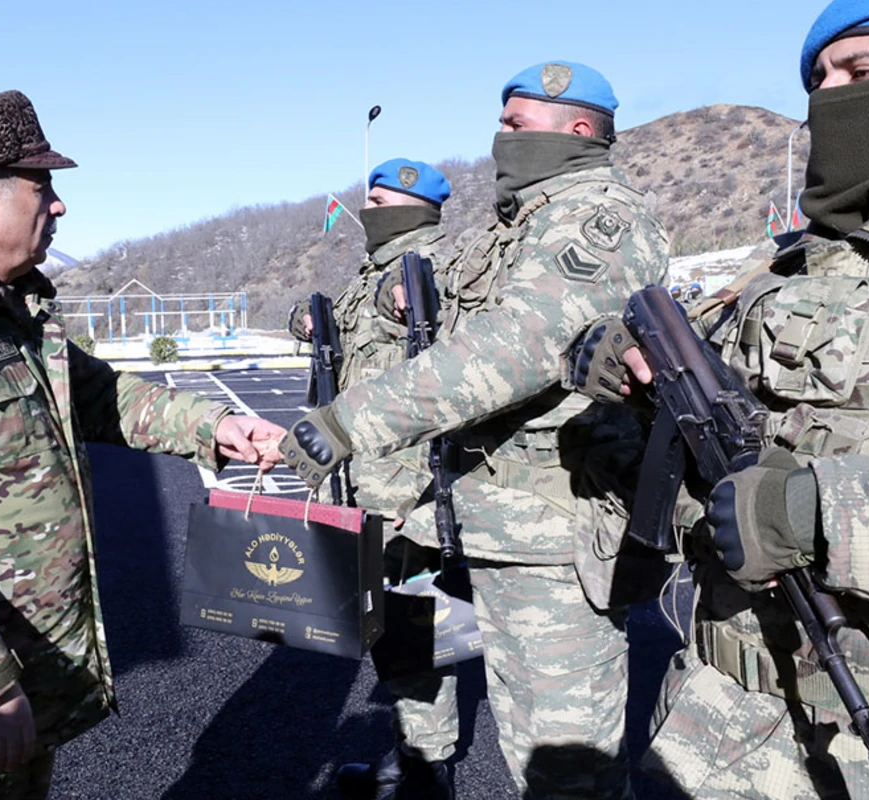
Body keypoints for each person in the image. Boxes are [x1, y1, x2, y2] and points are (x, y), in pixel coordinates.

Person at [569, 2, 869, 796]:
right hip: (709, 723)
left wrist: (824, 512)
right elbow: (684, 434)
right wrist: (614, 374)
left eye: (860, 72)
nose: (829, 98)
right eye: (818, 80)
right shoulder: (778, 270)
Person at [0, 90, 284, 800]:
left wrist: (213, 427)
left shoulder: (7, 313)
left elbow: (98, 394)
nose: (58, 203)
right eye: (42, 185)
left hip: (23, 679)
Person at [280, 62, 669, 799]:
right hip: (501, 518)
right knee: (534, 751)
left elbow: (516, 346)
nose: (501, 139)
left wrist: (345, 423)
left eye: (517, 125)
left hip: (554, 524)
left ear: (580, 129)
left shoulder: (595, 218)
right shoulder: (514, 229)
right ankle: (426, 767)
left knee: (568, 765)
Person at [286, 158, 460, 800]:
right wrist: (305, 323)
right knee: (392, 626)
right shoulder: (375, 275)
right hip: (367, 478)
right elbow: (339, 331)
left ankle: (424, 767)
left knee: (413, 626)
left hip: (407, 485)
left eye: (381, 199)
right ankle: (415, 752)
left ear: (417, 208)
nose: (371, 209)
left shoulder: (437, 271)